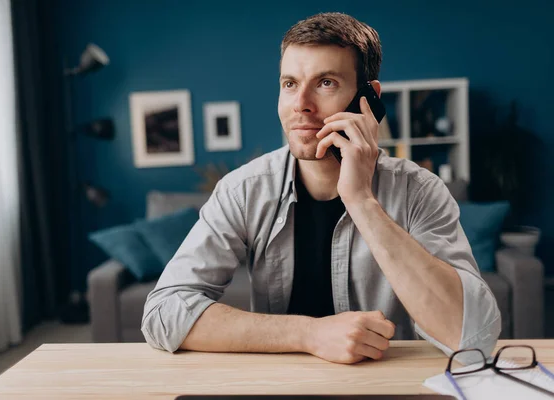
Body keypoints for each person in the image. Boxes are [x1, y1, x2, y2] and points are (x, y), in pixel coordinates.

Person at [141, 12, 501, 365]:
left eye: (325, 82)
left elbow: (472, 339)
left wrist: (361, 200)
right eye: (290, 84)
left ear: (369, 100)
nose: (301, 105)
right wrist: (309, 334)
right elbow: (163, 313)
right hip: (281, 392)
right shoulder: (243, 190)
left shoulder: (419, 191)